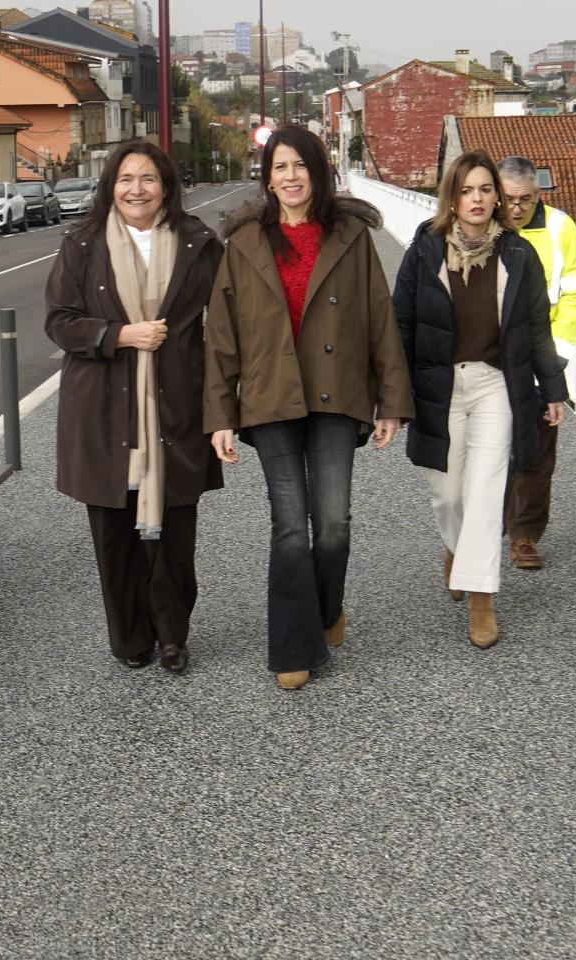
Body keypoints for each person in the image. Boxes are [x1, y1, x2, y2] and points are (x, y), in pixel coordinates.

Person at [204, 125, 412, 691]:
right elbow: (221, 335)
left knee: (336, 524)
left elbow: (379, 320)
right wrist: (220, 414)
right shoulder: (244, 242)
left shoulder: (349, 236)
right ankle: (293, 647)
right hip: (271, 396)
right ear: (267, 177)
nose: (290, 176)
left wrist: (391, 402)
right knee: (291, 527)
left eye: (300, 165)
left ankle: (326, 610)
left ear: (318, 172)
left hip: (336, 393)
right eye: (279, 167)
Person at [45, 140, 224, 674]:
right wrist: (119, 335)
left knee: (174, 529)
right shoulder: (81, 244)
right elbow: (59, 321)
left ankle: (172, 635)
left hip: (176, 406)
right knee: (116, 532)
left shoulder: (199, 244)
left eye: (147, 179)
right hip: (102, 409)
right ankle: (130, 639)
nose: (136, 189)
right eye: (125, 179)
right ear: (110, 187)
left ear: (166, 186)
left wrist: (223, 405)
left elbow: (230, 326)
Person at [392, 151, 567, 650]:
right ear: (452, 196)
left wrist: (552, 389)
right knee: (449, 495)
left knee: (489, 493)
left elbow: (537, 328)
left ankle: (481, 599)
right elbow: (400, 323)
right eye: (467, 190)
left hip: (495, 385)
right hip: (439, 386)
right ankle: (454, 548)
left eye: (486, 190)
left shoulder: (517, 254)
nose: (477, 199)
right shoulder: (424, 250)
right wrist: (395, 394)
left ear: (497, 197)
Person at [497, 155, 576, 571]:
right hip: (488, 363)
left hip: (539, 361)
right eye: (509, 199)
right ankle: (481, 530)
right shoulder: (480, 224)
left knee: (535, 455)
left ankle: (524, 535)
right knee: (486, 451)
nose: (517, 208)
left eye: (526, 199)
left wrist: (553, 359)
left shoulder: (559, 227)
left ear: (539, 194)